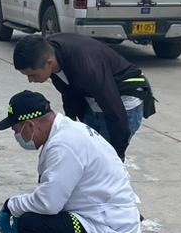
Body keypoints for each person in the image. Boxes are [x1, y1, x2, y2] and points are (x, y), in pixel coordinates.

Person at [0, 91, 140, 233]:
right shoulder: (69, 131)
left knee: (32, 225)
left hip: (108, 226)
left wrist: (11, 205)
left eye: (16, 130)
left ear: (31, 125)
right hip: (110, 218)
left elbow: (48, 203)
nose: (17, 136)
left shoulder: (64, 145)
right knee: (39, 215)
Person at [12, 33, 155, 161]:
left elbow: (114, 109)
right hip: (94, 100)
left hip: (123, 100)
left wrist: (116, 156)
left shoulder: (87, 66)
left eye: (33, 75)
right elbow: (69, 93)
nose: (30, 80)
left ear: (49, 63)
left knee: (103, 160)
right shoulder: (49, 50)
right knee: (86, 154)